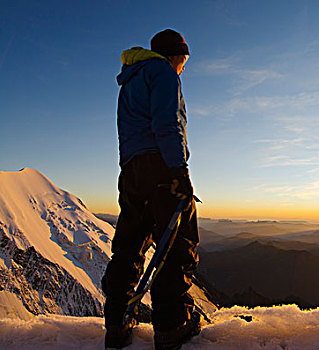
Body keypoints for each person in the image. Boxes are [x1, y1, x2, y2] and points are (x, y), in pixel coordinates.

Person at [101, 29, 200, 350]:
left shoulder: (131, 81)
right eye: (183, 60)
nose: (183, 67)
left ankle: (117, 321)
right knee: (176, 242)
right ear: (175, 55)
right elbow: (167, 123)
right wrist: (178, 170)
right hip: (162, 168)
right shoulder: (163, 72)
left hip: (131, 171)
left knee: (130, 242)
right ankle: (172, 325)